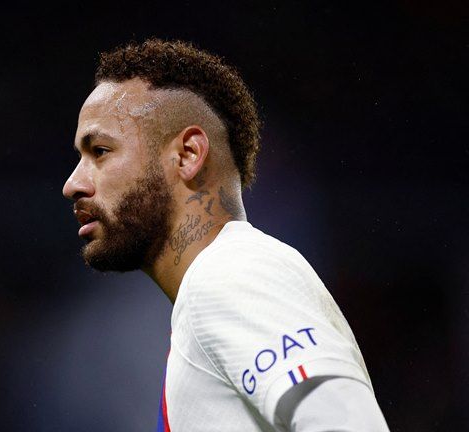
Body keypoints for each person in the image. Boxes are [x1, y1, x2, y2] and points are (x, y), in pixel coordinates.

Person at [62, 39, 390, 432]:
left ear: (188, 155)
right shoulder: (216, 285)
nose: (72, 184)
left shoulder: (230, 274)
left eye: (100, 151)